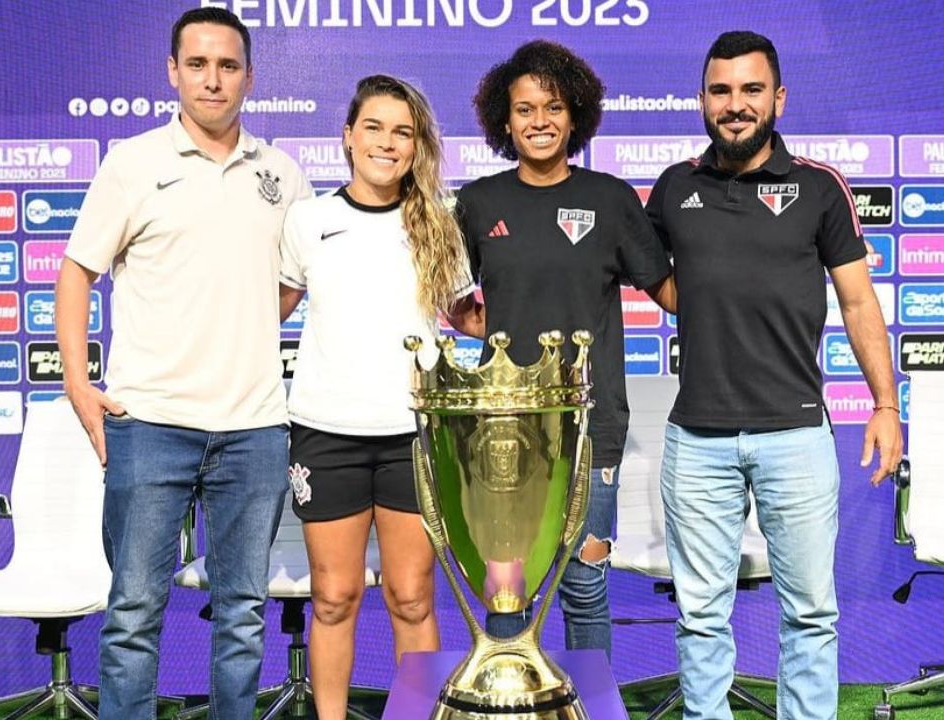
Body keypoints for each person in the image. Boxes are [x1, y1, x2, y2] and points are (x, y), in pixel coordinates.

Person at [55, 7, 312, 719]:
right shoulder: (132, 163)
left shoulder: (282, 174)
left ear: (249, 77)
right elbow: (76, 272)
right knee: (134, 615)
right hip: (150, 423)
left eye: (228, 65)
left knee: (241, 617)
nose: (212, 79)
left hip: (256, 430)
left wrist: (244, 323)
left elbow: (297, 276)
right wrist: (80, 384)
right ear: (172, 72)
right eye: (197, 64)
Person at [645, 30, 902, 720]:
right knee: (701, 616)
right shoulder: (674, 188)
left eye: (751, 90)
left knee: (811, 616)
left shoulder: (819, 187)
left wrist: (885, 404)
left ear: (778, 98)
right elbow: (647, 278)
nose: (735, 105)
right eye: (721, 91)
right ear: (702, 100)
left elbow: (857, 301)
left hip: (797, 435)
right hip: (696, 442)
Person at [455, 40, 674, 659]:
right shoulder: (478, 203)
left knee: (584, 586)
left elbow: (669, 290)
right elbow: (450, 300)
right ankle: (509, 700)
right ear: (505, 120)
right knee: (508, 595)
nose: (539, 121)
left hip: (589, 425)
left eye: (552, 107)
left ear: (575, 115)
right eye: (525, 110)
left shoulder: (609, 199)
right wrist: (489, 328)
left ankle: (587, 703)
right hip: (502, 428)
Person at [277, 75, 477, 719]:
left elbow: (470, 318)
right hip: (326, 435)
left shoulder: (439, 224)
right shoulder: (309, 220)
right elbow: (261, 315)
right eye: (374, 127)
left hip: (413, 436)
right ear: (347, 137)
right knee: (334, 597)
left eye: (403, 132)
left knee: (413, 596)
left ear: (417, 146)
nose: (387, 143)